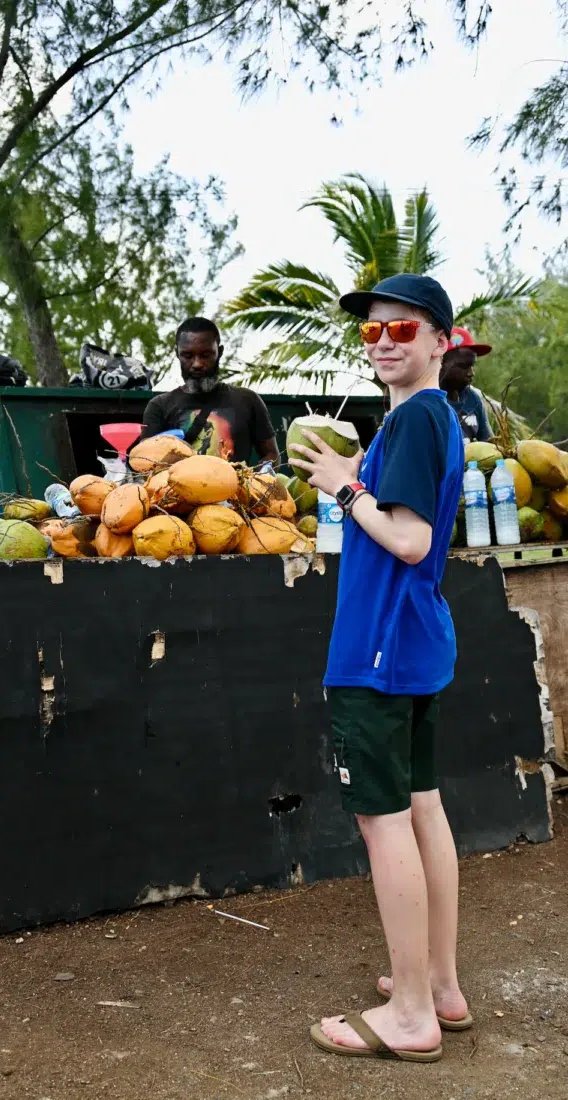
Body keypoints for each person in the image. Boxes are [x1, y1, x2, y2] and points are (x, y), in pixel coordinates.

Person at [290, 274, 468, 1064]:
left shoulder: (420, 417)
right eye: (373, 331)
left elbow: (409, 540)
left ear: (440, 340)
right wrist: (358, 469)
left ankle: (410, 1015)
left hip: (380, 645)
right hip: (413, 641)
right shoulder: (425, 418)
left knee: (384, 819)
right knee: (422, 806)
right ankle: (439, 987)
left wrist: (345, 486)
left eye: (403, 328)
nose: (385, 342)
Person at [141, 318, 279, 465]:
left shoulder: (248, 400)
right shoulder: (159, 406)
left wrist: (260, 474)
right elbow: (145, 461)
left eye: (206, 355)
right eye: (187, 356)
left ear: (220, 352)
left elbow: (271, 454)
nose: (197, 364)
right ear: (177, 354)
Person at [440, 326, 493, 443]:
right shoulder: (428, 402)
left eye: (472, 366)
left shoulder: (473, 398)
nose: (471, 373)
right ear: (441, 363)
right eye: (464, 366)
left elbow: (489, 442)